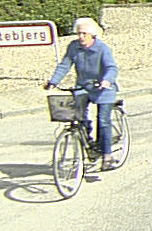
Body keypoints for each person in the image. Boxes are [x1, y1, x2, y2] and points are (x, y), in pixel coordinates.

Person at [45, 17, 119, 167]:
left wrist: (106, 80)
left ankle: (107, 156)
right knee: (77, 116)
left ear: (92, 34)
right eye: (78, 33)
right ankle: (89, 142)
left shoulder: (102, 48)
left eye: (84, 33)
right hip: (83, 87)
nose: (81, 37)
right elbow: (64, 65)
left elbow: (111, 67)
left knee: (103, 120)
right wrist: (53, 82)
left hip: (102, 88)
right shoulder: (74, 47)